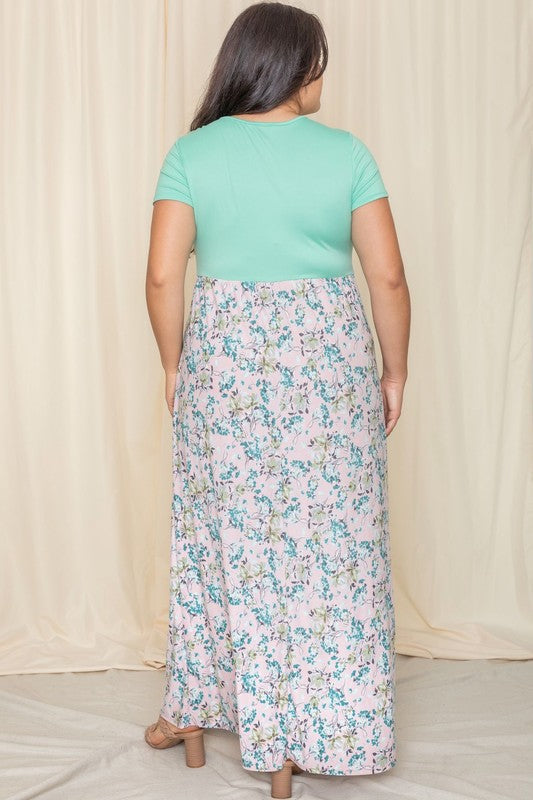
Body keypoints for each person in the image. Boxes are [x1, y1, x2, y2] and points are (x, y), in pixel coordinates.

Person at [144, 2, 410, 797]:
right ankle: (314, 729)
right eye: (318, 58)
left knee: (218, 538)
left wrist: (172, 365)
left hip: (223, 359)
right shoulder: (346, 154)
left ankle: (195, 713)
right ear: (294, 66)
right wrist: (393, 373)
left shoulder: (192, 153)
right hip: (326, 359)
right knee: (329, 545)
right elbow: (387, 278)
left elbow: (162, 276)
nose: (324, 74)